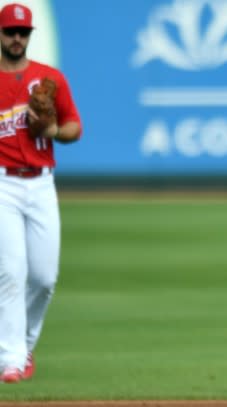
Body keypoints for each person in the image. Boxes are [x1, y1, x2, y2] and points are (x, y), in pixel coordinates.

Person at [0, 3, 82, 383]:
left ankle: (25, 346)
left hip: (41, 183)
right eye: (10, 32)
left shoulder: (49, 78)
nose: (17, 38)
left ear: (30, 35)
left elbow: (74, 128)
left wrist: (49, 131)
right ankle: (10, 359)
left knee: (45, 277)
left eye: (23, 32)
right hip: (3, 185)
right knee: (11, 271)